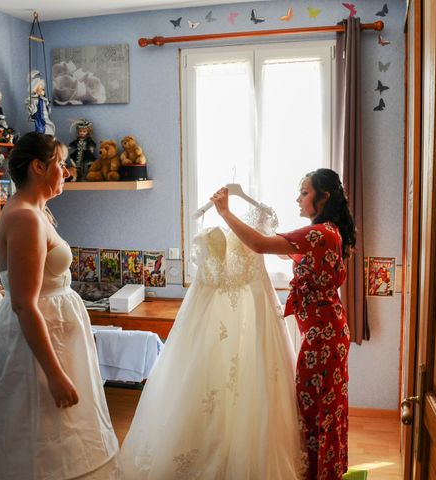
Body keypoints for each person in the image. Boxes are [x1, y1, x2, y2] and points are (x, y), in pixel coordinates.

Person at [0, 132, 120, 480]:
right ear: (38, 167)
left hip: (56, 334)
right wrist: (56, 374)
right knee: (35, 429)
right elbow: (25, 305)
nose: (67, 172)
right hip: (38, 347)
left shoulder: (37, 212)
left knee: (59, 431)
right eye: (61, 164)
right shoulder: (25, 218)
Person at [119, 200, 306, 478]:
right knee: (202, 381)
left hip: (253, 312)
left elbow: (269, 248)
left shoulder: (262, 216)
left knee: (253, 383)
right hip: (207, 315)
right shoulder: (205, 215)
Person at [211, 168, 356, 480]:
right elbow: (282, 253)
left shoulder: (317, 234)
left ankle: (318, 474)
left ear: (323, 197)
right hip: (329, 331)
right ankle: (326, 471)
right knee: (326, 409)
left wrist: (225, 212)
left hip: (323, 337)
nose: (298, 198)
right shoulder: (329, 233)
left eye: (305, 192)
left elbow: (261, 246)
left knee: (314, 410)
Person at [26, 70, 56, 136]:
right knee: (41, 130)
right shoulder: (34, 99)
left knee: (50, 129)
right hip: (39, 118)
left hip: (45, 118)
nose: (43, 90)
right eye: (41, 89)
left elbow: (47, 110)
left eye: (43, 89)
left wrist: (48, 105)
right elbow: (32, 110)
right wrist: (31, 108)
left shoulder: (43, 99)